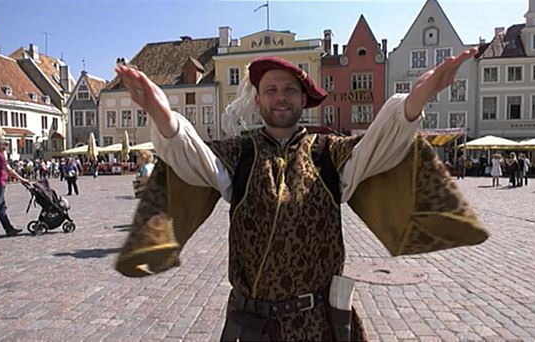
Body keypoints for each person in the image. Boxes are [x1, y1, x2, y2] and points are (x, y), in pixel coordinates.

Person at [115, 50, 487, 341]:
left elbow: (378, 145)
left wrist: (414, 102)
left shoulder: (327, 152)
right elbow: (190, 156)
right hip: (251, 324)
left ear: (303, 99)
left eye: (290, 89)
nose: (281, 97)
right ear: (258, 100)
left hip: (317, 325)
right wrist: (163, 115)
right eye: (271, 90)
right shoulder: (240, 155)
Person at [0, 139, 28, 238]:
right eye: (5, 145)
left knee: (1, 207)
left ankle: (9, 229)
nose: (6, 147)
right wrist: (21, 179)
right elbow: (9, 169)